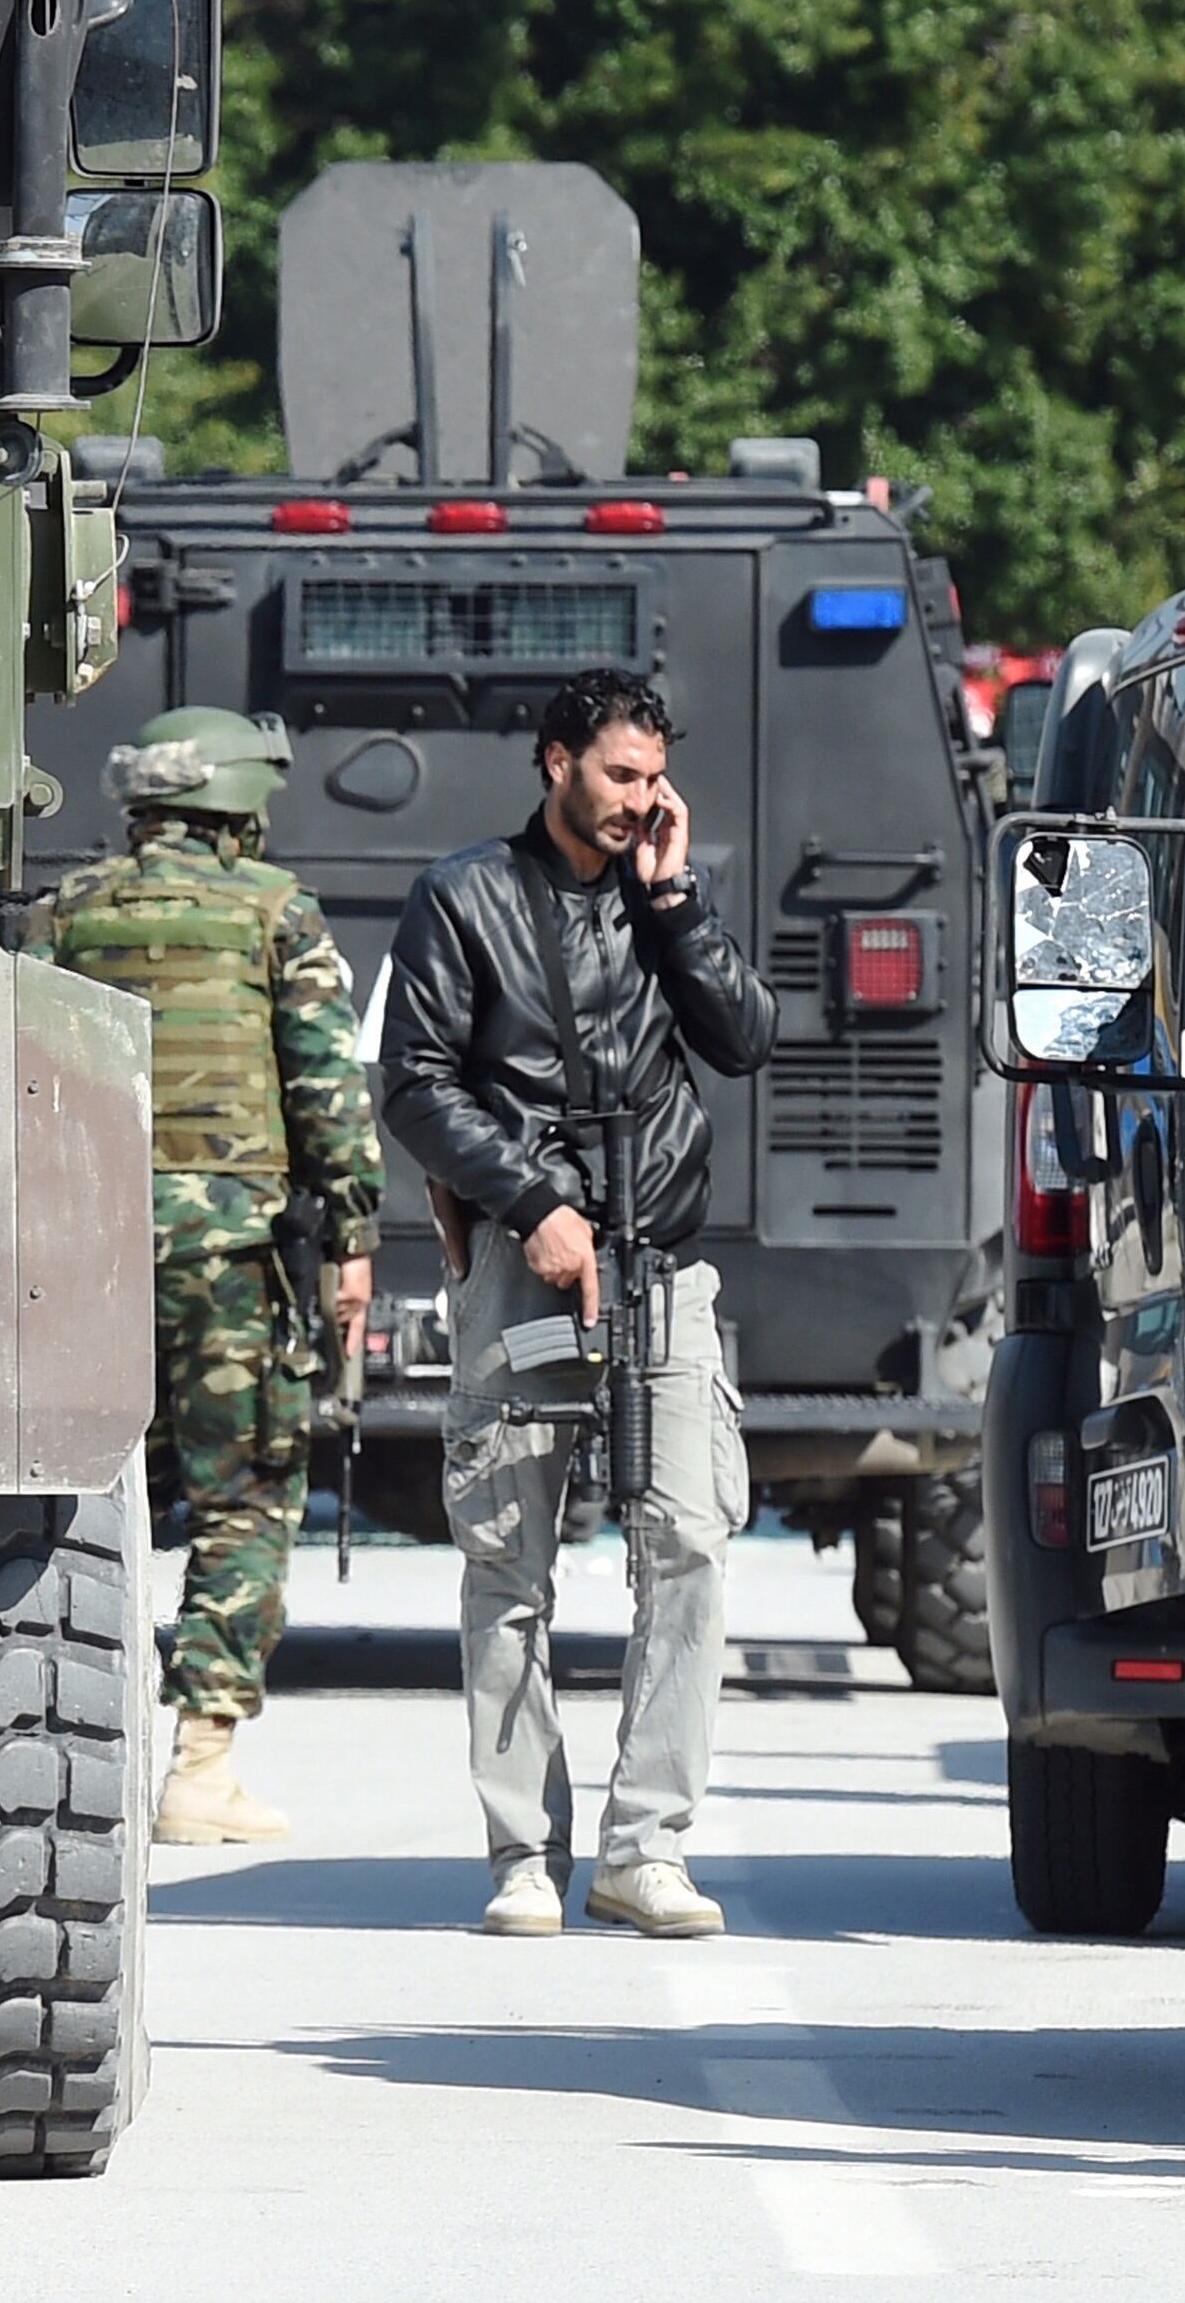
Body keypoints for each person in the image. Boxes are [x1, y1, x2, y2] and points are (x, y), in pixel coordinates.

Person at [378, 666, 773, 1939]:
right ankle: (521, 1853)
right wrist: (531, 1204)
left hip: (660, 1265)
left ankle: (645, 1848)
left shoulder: (664, 899)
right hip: (529, 1264)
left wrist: (676, 901)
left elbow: (746, 1038)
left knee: (694, 1543)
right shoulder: (464, 897)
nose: (639, 800)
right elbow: (416, 1085)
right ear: (556, 762)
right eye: (619, 775)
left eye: (654, 778)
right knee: (509, 1556)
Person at [28, 705, 381, 1847]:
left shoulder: (66, 914)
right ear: (239, 806)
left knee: (66, 1498)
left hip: (83, 1258)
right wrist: (352, 1237)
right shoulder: (275, 911)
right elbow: (328, 1093)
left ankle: (46, 1751)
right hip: (230, 1261)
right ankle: (200, 1768)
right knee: (244, 1501)